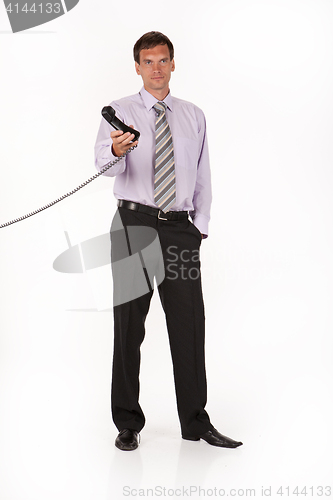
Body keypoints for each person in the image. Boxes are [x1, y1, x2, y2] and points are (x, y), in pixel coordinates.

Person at [94, 31, 243, 451]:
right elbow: (103, 167)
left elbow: (203, 175)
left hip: (179, 230)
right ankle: (127, 423)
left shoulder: (194, 115)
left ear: (173, 64)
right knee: (128, 327)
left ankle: (195, 421)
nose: (156, 69)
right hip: (134, 227)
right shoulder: (118, 112)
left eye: (163, 61)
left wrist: (200, 228)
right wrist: (117, 150)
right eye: (148, 61)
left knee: (189, 325)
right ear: (137, 67)